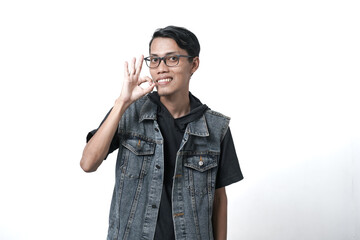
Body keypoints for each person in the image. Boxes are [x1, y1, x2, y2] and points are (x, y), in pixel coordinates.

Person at [80, 26, 243, 240]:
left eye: (172, 59)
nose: (161, 68)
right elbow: (88, 163)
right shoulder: (129, 112)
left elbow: (219, 198)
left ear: (193, 64)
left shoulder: (215, 127)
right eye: (155, 60)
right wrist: (122, 102)